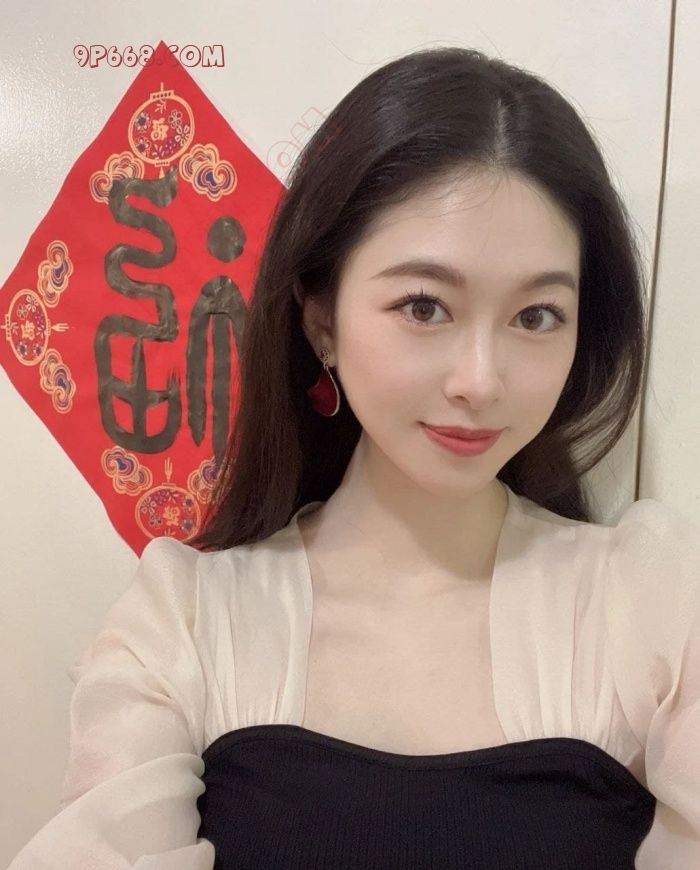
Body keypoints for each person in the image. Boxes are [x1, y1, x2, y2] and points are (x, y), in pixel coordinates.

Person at [8, 46, 700, 870]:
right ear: (322, 320)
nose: (480, 381)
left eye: (536, 316)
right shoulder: (188, 623)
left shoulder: (652, 606)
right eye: (424, 306)